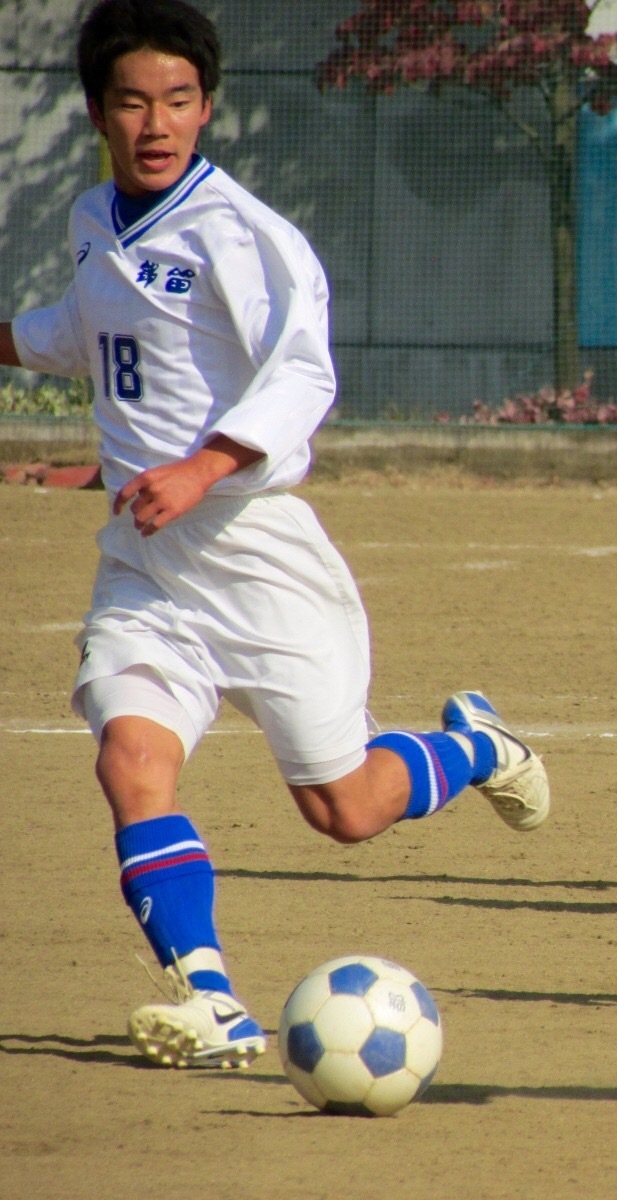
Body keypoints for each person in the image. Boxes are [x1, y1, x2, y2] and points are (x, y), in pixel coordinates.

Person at [0, 0, 551, 1070]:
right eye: (133, 103)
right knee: (131, 756)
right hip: (147, 564)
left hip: (258, 554)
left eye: (178, 101)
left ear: (206, 107)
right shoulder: (90, 221)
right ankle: (211, 999)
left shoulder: (244, 234)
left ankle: (475, 743)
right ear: (97, 112)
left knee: (341, 809)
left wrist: (204, 466)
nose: (157, 124)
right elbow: (89, 334)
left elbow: (303, 372)